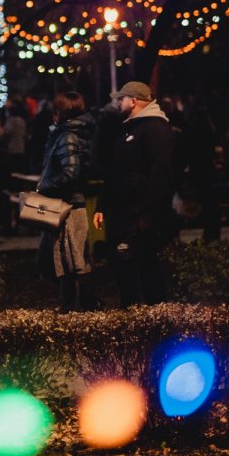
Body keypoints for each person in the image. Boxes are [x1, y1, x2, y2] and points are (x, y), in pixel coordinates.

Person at [93, 81, 176, 306]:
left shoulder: (155, 130)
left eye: (121, 99)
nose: (117, 103)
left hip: (136, 212)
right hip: (124, 211)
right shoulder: (129, 128)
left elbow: (160, 175)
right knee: (134, 264)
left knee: (133, 264)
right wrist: (102, 204)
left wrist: (148, 215)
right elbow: (115, 170)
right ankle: (147, 313)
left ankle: (142, 313)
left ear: (134, 101)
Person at [35, 92, 95, 312]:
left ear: (60, 111)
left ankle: (75, 305)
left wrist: (44, 186)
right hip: (66, 204)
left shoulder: (67, 136)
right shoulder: (68, 134)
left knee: (68, 260)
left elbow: (71, 172)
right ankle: (77, 304)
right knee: (64, 260)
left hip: (66, 205)